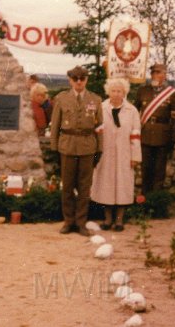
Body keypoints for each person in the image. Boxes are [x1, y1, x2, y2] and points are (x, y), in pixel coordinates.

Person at [49, 65, 103, 236]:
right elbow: (55, 125)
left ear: (86, 80)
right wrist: (54, 147)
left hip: (87, 146)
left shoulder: (95, 100)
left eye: (82, 79)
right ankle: (68, 221)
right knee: (67, 186)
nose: (79, 82)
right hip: (67, 146)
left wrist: (99, 148)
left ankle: (81, 222)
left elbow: (99, 127)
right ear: (70, 80)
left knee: (84, 187)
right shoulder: (62, 99)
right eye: (75, 79)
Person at [91, 78, 141, 231]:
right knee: (106, 186)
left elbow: (135, 135)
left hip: (124, 154)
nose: (116, 94)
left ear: (124, 92)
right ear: (108, 92)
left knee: (122, 186)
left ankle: (119, 221)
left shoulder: (132, 111)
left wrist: (135, 157)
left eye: (119, 91)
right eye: (113, 90)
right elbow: (95, 132)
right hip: (105, 154)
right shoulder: (101, 108)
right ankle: (107, 220)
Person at [134, 62, 175, 195]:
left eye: (159, 73)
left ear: (165, 75)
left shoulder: (171, 93)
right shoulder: (143, 91)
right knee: (145, 168)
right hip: (146, 134)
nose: (156, 75)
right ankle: (144, 198)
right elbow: (134, 111)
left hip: (163, 135)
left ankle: (156, 200)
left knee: (160, 170)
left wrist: (173, 138)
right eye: (154, 72)